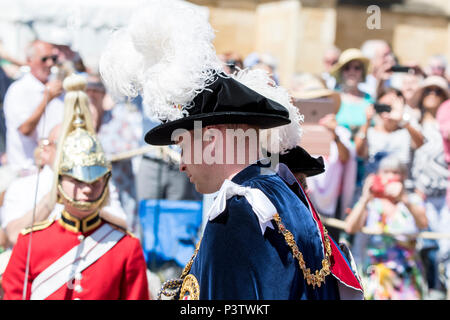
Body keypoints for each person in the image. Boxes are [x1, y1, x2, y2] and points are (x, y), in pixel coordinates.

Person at [99, 0, 363, 300]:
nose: (181, 163)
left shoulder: (240, 210)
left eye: (183, 146)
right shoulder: (278, 192)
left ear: (210, 141)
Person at [2, 74, 149, 300]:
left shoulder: (125, 246)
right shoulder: (30, 242)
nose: (87, 189)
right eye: (78, 181)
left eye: (94, 181)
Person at [345, 156, 428, 300]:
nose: (391, 177)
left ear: (403, 176)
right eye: (386, 172)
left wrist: (404, 199)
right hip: (377, 276)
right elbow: (350, 227)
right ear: (378, 175)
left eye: (395, 172)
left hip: (407, 275)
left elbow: (423, 223)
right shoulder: (372, 203)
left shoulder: (412, 200)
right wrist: (365, 198)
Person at [3, 40, 64, 170]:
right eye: (44, 59)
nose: (50, 64)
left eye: (53, 59)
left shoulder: (58, 89)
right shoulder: (18, 90)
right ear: (29, 61)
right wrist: (46, 100)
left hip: (54, 168)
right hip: (26, 169)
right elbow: (25, 129)